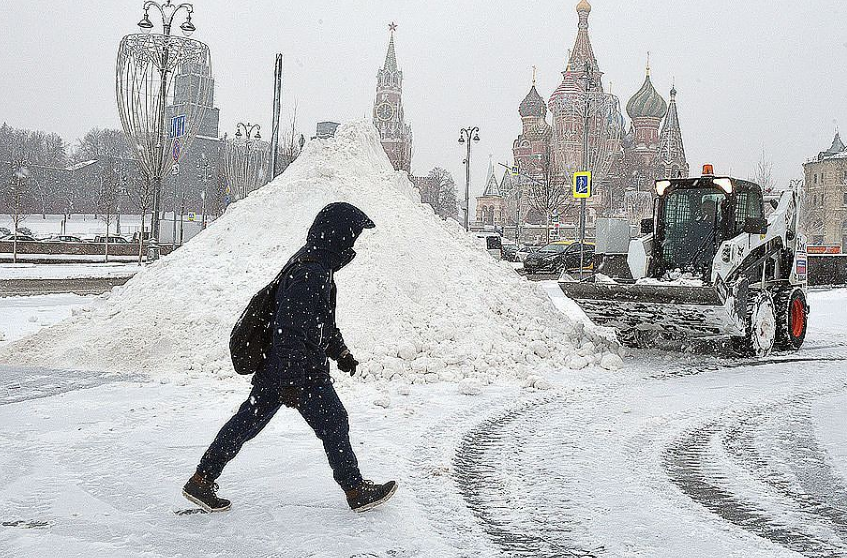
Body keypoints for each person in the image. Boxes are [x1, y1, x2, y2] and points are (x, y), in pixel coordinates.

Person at [183, 202, 397, 513]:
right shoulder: (310, 273)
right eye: (352, 236)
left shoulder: (316, 266)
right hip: (300, 369)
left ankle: (202, 479)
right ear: (337, 235)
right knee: (334, 420)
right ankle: (354, 489)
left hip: (283, 367)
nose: (353, 243)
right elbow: (290, 331)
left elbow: (320, 323)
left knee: (246, 423)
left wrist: (340, 352)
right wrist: (292, 381)